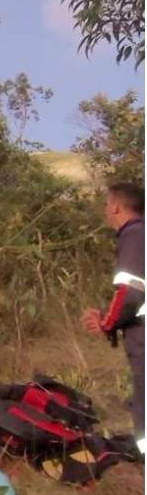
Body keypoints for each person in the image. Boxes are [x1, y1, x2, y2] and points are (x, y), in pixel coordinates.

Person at [82, 182, 145, 452]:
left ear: (116, 206)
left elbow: (130, 292)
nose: (106, 209)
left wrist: (107, 322)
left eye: (107, 203)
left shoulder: (134, 235)